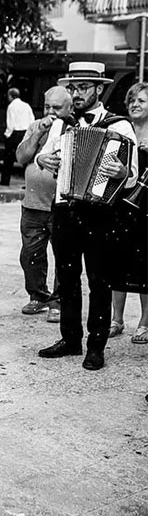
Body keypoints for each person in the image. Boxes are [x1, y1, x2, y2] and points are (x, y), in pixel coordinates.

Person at [35, 62, 138, 370]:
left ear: (98, 89)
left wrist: (121, 172)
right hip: (65, 208)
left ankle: (96, 346)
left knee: (99, 279)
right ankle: (70, 339)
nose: (76, 94)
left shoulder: (119, 126)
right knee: (66, 277)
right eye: (72, 88)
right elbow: (45, 156)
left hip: (100, 212)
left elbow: (131, 176)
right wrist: (45, 160)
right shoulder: (61, 124)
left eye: (82, 88)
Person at [15, 86, 71, 322]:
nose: (51, 112)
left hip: (61, 205)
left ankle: (58, 301)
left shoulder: (74, 129)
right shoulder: (35, 126)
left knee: (63, 256)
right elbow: (20, 157)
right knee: (30, 255)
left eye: (56, 107)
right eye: (47, 106)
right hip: (33, 203)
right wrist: (38, 136)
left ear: (69, 107)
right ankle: (38, 296)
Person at [109, 82, 148, 344]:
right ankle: (117, 318)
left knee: (145, 264)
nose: (135, 104)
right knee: (117, 262)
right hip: (120, 204)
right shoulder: (123, 131)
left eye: (142, 101)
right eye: (132, 100)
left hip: (147, 208)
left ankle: (145, 322)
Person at [0, 87, 35, 186]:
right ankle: (29, 183)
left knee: (8, 159)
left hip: (14, 134)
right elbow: (32, 120)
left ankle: (5, 181)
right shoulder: (26, 105)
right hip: (25, 133)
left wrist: (7, 135)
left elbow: (10, 123)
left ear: (11, 96)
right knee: (26, 160)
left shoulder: (11, 107)